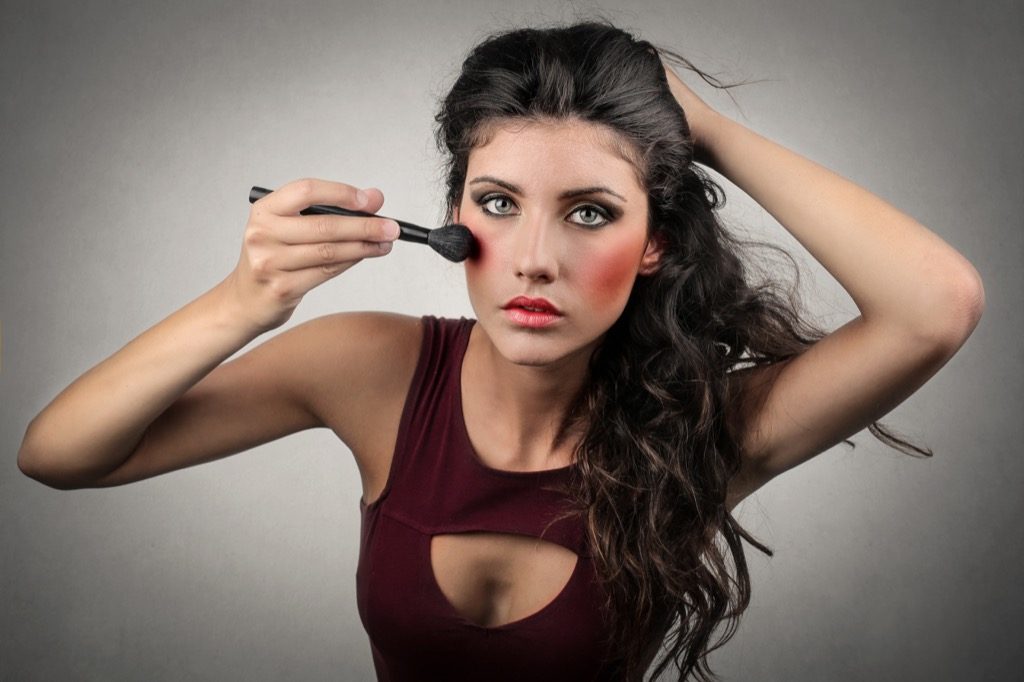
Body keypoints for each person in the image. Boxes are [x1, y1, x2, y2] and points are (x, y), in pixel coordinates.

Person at [17, 18, 984, 682]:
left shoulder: (706, 430)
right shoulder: (370, 368)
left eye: (590, 212)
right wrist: (243, 302)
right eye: (498, 202)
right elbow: (58, 455)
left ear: (656, 241)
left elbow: (936, 306)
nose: (534, 259)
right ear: (454, 215)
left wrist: (708, 132)